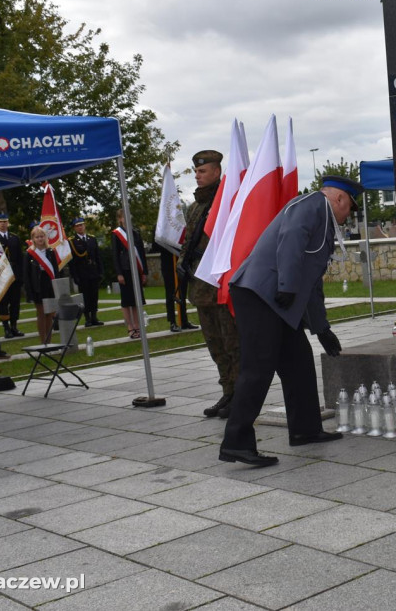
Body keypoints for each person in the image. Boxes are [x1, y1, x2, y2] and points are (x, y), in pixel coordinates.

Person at [219, 175, 363, 467]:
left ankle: (305, 429)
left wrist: (322, 329)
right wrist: (285, 284)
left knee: (298, 363)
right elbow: (291, 237)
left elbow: (311, 282)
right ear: (340, 199)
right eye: (350, 208)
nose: (349, 215)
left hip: (277, 299)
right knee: (258, 368)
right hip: (260, 294)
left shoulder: (323, 219)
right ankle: (236, 442)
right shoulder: (313, 205)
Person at [179, 150, 240, 419]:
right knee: (215, 345)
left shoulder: (226, 201)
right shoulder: (196, 207)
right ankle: (228, 392)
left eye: (202, 171)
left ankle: (239, 394)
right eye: (196, 171)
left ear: (217, 172)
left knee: (232, 343)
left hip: (220, 287)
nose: (197, 175)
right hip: (201, 288)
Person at [112, 209, 147, 339]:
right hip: (125, 270)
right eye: (123, 217)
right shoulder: (116, 234)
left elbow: (142, 253)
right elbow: (115, 255)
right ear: (120, 219)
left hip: (136, 270)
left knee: (137, 300)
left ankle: (138, 325)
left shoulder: (135, 233)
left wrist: (145, 272)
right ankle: (130, 327)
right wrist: (119, 273)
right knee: (127, 301)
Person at [23, 226, 61, 344]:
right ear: (33, 239)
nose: (40, 239)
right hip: (37, 286)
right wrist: (29, 291)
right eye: (37, 237)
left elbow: (56, 270)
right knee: (41, 313)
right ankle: (43, 340)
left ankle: (49, 340)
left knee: (49, 313)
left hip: (49, 285)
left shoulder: (51, 252)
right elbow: (26, 274)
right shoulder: (29, 254)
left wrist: (57, 286)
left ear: (45, 237)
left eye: (42, 236)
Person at [151, 239, 196, 332]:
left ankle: (184, 321)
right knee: (170, 293)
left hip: (180, 263)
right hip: (168, 264)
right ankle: (172, 321)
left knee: (182, 292)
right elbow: (155, 246)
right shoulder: (161, 226)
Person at [68, 217, 104, 327]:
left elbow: (97, 257)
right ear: (74, 228)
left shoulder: (92, 239)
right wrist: (75, 276)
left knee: (94, 295)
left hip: (93, 271)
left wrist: (100, 271)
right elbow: (72, 261)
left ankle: (94, 316)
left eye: (82, 225)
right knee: (85, 296)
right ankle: (87, 318)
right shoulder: (72, 242)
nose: (80, 227)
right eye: (78, 225)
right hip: (82, 273)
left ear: (84, 226)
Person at [0, 213, 24, 338]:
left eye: (5, 222)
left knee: (15, 302)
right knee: (3, 302)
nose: (3, 224)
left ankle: (14, 326)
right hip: (1, 274)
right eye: (0, 222)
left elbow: (20, 258)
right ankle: (6, 328)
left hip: (14, 273)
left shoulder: (14, 238)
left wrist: (21, 276)